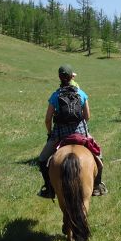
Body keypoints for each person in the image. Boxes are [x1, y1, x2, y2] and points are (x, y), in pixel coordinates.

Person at [37, 64, 106, 199]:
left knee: (42, 159)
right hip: (80, 132)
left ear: (59, 77)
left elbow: (47, 119)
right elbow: (87, 116)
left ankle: (49, 189)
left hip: (60, 134)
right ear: (71, 77)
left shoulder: (55, 95)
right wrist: (82, 127)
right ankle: (97, 186)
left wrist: (51, 133)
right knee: (99, 156)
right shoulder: (81, 93)